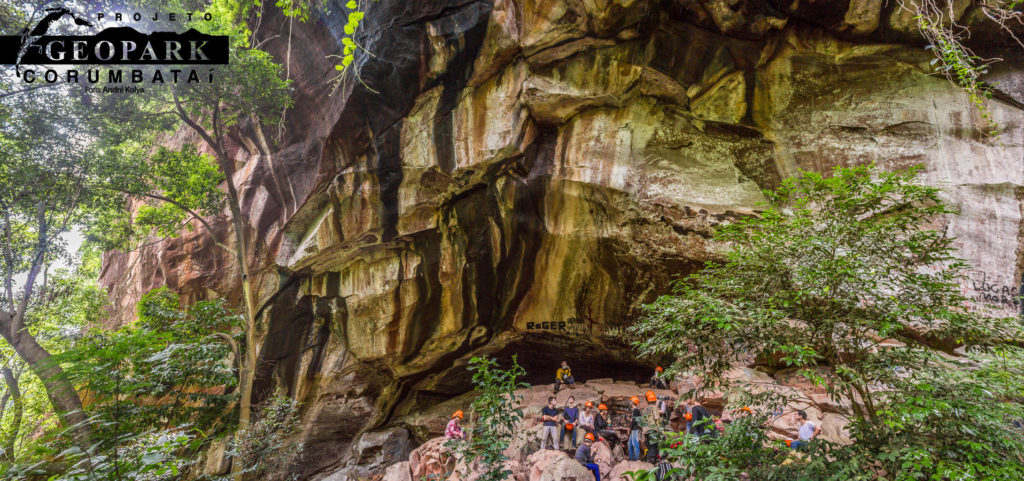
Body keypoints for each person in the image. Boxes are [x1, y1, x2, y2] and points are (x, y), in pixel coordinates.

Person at [628, 395, 642, 461]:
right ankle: (631, 458)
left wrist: (629, 429)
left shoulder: (636, 410)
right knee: (630, 444)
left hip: (635, 429)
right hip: (633, 429)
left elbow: (633, 421)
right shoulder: (634, 410)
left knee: (635, 444)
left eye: (631, 401)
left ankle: (636, 459)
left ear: (633, 402)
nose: (630, 402)